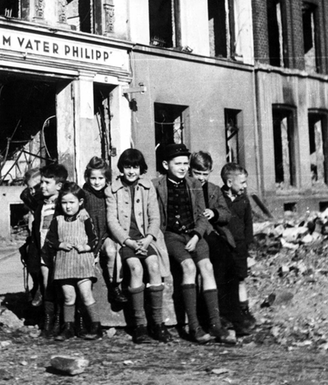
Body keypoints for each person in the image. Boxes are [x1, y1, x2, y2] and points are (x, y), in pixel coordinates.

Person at [153, 144, 234, 344]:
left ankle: (215, 324)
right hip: (172, 236)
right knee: (188, 267)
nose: (182, 167)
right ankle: (194, 326)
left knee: (206, 267)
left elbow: (201, 214)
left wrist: (198, 235)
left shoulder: (194, 184)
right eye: (177, 163)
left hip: (194, 235)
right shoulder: (157, 186)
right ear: (165, 164)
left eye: (185, 163)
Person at [106, 148, 172, 343]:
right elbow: (112, 221)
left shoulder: (147, 187)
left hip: (146, 238)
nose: (131, 171)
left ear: (141, 168)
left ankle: (158, 324)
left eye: (135, 167)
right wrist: (128, 241)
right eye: (127, 167)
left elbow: (155, 216)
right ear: (122, 168)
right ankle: (140, 325)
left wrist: (149, 237)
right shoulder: (112, 189)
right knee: (135, 268)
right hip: (126, 239)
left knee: (153, 266)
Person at [189, 152, 253, 336]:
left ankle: (234, 315)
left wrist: (215, 213)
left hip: (212, 232)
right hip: (195, 234)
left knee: (231, 266)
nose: (201, 178)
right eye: (197, 173)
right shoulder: (186, 187)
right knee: (217, 263)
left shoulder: (214, 190)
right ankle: (219, 316)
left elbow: (225, 213)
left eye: (205, 174)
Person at [43, 182, 101, 340]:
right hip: (64, 263)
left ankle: (96, 326)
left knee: (86, 294)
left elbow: (94, 238)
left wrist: (87, 247)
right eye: (64, 202)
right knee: (69, 297)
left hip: (82, 261)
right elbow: (50, 239)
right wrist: (60, 244)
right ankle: (68, 327)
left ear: (80, 202)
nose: (68, 206)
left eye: (71, 202)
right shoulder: (58, 220)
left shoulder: (85, 218)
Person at [82, 157, 127, 305]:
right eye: (93, 178)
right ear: (87, 178)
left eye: (100, 178)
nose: (96, 182)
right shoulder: (84, 194)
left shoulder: (109, 193)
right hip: (89, 235)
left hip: (106, 234)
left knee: (111, 251)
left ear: (106, 179)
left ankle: (114, 287)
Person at [31, 163, 68, 337]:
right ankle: (48, 320)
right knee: (47, 283)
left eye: (47, 183)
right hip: (45, 251)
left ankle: (61, 321)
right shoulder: (41, 205)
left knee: (61, 285)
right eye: (42, 182)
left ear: (59, 186)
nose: (42, 186)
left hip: (60, 251)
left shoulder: (64, 204)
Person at [220, 163, 257, 329]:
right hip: (225, 247)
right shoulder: (219, 199)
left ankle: (243, 311)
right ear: (229, 183)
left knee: (241, 279)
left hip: (240, 246)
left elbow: (248, 224)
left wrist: (248, 248)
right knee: (227, 280)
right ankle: (226, 313)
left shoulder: (244, 200)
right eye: (242, 182)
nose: (245, 186)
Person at [19, 168, 43, 305]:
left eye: (37, 186)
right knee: (27, 251)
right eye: (31, 188)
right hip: (36, 231)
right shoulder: (29, 196)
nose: (35, 190)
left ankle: (41, 287)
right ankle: (36, 284)